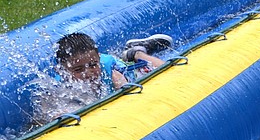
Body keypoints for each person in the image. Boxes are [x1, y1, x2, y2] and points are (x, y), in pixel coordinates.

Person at [32, 33, 173, 124]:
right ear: (63, 72)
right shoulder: (58, 85)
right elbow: (44, 114)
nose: (88, 73)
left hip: (123, 70)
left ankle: (136, 52)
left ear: (98, 60)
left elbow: (127, 94)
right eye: (78, 70)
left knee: (161, 69)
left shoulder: (110, 72)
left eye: (93, 65)